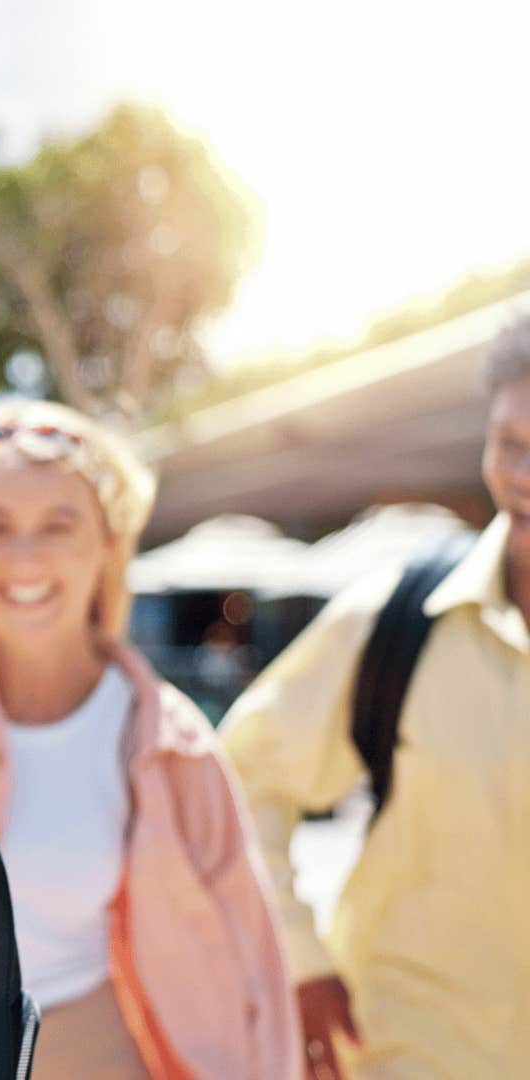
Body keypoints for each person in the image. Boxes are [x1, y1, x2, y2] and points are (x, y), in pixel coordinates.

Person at [0, 400, 299, 1079]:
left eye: (58, 525)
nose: (25, 557)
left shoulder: (169, 742)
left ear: (108, 544)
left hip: (98, 1053)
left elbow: (250, 956)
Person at [220, 315, 530, 1079]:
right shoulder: (393, 619)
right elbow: (237, 776)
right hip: (405, 1051)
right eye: (511, 443)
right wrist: (298, 959)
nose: (524, 473)